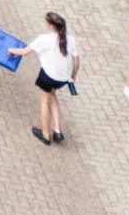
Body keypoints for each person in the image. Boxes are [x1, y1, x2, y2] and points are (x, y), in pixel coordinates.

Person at [10, 12, 78, 145]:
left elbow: (24, 52)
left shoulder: (44, 39)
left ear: (51, 26)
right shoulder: (71, 39)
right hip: (63, 78)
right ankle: (57, 130)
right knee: (52, 96)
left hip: (48, 77)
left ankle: (46, 135)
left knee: (45, 102)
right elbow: (76, 61)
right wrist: (73, 75)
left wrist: (11, 50)